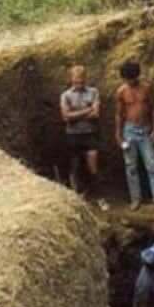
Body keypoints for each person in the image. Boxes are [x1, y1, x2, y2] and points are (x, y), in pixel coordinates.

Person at [115, 60, 154, 211]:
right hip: (129, 130)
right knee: (131, 167)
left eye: (133, 78)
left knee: (152, 165)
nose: (130, 81)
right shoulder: (121, 91)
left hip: (145, 130)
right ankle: (135, 199)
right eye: (127, 79)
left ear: (137, 76)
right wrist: (118, 135)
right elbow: (119, 115)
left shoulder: (146, 88)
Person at [59, 64, 109, 211]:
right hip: (73, 136)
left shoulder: (93, 92)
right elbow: (66, 117)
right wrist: (87, 110)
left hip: (90, 135)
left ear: (85, 78)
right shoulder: (65, 95)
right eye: (76, 81)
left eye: (81, 81)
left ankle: (100, 198)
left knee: (93, 167)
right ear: (71, 79)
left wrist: (76, 114)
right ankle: (78, 199)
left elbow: (96, 114)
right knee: (75, 167)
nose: (78, 84)